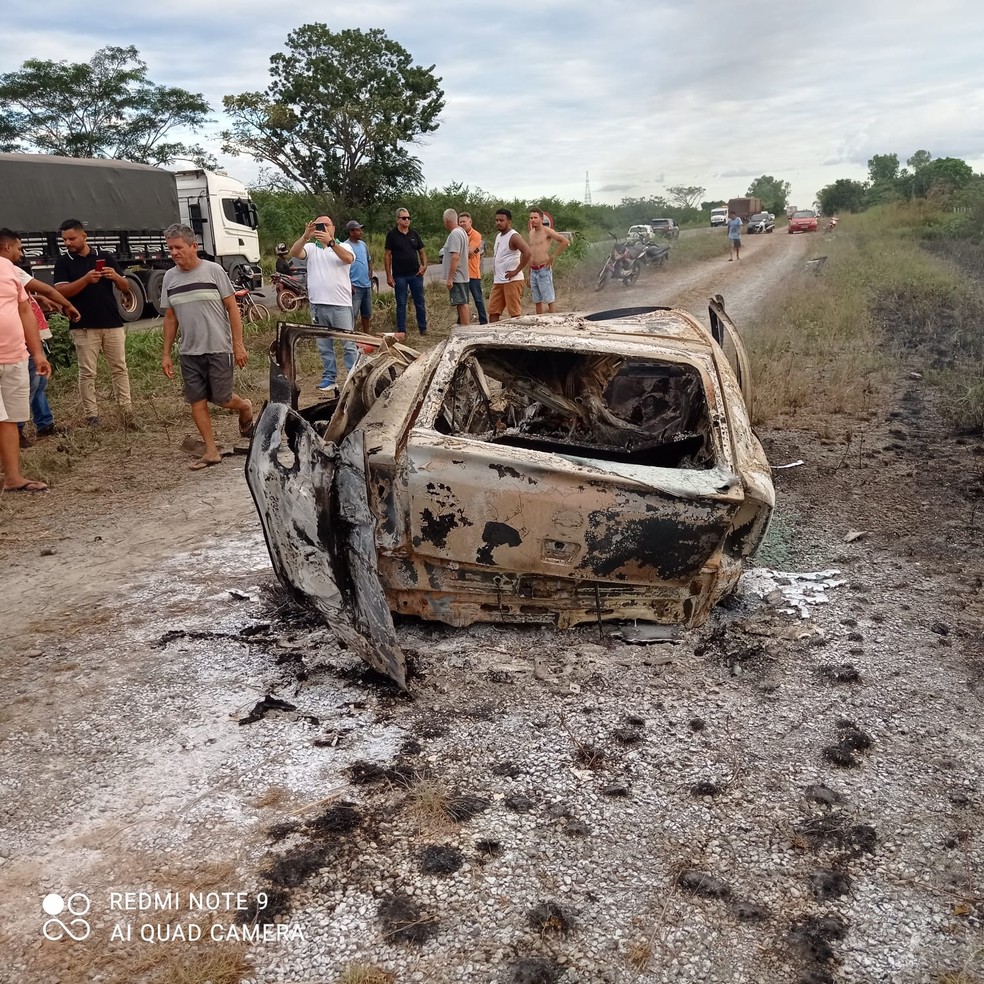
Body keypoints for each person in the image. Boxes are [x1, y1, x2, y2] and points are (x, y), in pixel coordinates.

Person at [159, 224, 252, 471]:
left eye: (178, 247)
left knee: (221, 399)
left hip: (218, 347)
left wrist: (238, 344)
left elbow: (233, 308)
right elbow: (171, 318)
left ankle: (245, 407)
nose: (174, 253)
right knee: (197, 401)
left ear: (193, 246)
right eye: (170, 249)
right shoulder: (170, 277)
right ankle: (211, 451)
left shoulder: (214, 271)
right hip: (189, 352)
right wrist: (166, 353)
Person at [53, 218, 135, 428]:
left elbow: (125, 286)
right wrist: (85, 280)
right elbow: (60, 292)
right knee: (87, 372)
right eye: (65, 239)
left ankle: (126, 412)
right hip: (83, 325)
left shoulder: (104, 256)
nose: (68, 243)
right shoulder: (63, 262)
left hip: (112, 322)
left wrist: (115, 276)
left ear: (84, 236)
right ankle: (92, 416)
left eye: (72, 238)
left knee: (119, 368)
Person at [0, 229, 79, 442]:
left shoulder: (11, 273)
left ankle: (41, 424)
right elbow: (48, 289)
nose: (21, 253)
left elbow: (20, 297)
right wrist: (67, 304)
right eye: (19, 248)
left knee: (38, 383)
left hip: (25, 340)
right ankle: (17, 429)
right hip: (17, 344)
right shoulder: (11, 270)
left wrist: (37, 298)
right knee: (29, 384)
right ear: (7, 247)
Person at [0, 249, 51, 492]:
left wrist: (38, 353)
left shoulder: (8, 267)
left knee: (9, 419)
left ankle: (12, 478)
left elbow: (24, 311)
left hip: (15, 357)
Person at [290, 214, 355, 395]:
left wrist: (331, 243)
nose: (323, 228)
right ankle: (330, 378)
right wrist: (305, 236)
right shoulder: (311, 248)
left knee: (348, 345)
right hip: (318, 305)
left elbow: (348, 259)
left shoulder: (344, 245)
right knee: (324, 345)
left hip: (340, 305)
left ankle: (352, 377)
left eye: (326, 225)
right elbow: (295, 253)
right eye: (319, 225)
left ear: (333, 228)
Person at [384, 208, 428, 340]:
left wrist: (424, 266)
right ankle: (401, 330)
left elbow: (422, 251)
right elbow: (387, 255)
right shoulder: (392, 235)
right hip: (400, 276)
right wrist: (388, 275)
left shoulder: (414, 234)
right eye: (404, 218)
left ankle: (423, 328)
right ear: (398, 219)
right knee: (401, 303)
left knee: (419, 302)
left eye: (408, 218)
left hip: (415, 275)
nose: (407, 220)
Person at [488, 209, 531, 323]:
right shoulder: (499, 236)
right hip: (498, 280)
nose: (498, 222)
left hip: (512, 280)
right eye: (497, 220)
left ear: (509, 222)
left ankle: (517, 336)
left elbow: (527, 252)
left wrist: (516, 271)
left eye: (501, 220)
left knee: (514, 313)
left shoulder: (514, 236)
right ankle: (493, 336)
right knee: (493, 311)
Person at [527, 207, 570, 314]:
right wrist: (528, 273)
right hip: (533, 270)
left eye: (535, 217)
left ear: (541, 219)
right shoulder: (531, 233)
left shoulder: (547, 231)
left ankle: (554, 322)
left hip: (543, 269)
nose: (533, 220)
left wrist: (553, 257)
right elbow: (531, 252)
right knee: (537, 300)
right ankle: (539, 321)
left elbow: (564, 241)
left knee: (549, 300)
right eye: (531, 218)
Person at [441, 209, 471, 327]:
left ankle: (465, 329)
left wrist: (450, 278)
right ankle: (464, 326)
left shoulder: (455, 234)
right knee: (462, 302)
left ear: (447, 220)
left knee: (462, 303)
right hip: (461, 275)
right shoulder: (462, 232)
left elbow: (455, 257)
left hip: (457, 276)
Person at [457, 212, 488, 325]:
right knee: (461, 301)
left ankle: (484, 321)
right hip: (461, 274)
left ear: (470, 222)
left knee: (478, 299)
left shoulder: (476, 235)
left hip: (473, 273)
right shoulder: (458, 234)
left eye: (464, 221)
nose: (462, 224)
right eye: (460, 222)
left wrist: (458, 251)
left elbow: (470, 251)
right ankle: (461, 321)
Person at [345, 220, 374, 333]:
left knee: (366, 313)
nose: (361, 232)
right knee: (353, 314)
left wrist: (370, 271)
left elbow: (369, 260)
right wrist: (349, 283)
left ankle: (366, 335)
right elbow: (343, 267)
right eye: (358, 230)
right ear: (351, 232)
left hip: (366, 285)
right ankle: (350, 336)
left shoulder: (363, 245)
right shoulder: (346, 246)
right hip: (355, 286)